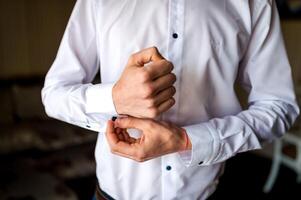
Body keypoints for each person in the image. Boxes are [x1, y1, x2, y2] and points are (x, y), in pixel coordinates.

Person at [42, 0, 300, 199]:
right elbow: (54, 94)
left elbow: (279, 106)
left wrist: (187, 141)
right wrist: (114, 98)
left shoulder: (253, 2)